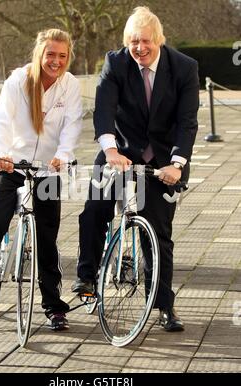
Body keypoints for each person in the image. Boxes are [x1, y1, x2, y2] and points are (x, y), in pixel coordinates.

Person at [72, 6, 199, 332]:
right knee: (95, 209)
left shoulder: (184, 68)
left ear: (159, 40)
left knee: (157, 233)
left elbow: (186, 123)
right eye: (133, 43)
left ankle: (163, 306)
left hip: (162, 161)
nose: (139, 49)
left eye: (145, 42)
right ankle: (86, 277)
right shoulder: (116, 62)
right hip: (120, 152)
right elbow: (104, 110)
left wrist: (177, 163)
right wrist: (110, 150)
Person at [0, 29, 82, 330]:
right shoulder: (18, 81)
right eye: (50, 55)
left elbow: (72, 124)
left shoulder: (69, 85)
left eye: (62, 55)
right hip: (12, 165)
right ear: (40, 54)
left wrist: (64, 154)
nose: (56, 61)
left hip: (48, 169)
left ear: (68, 56)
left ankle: (53, 305)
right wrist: (1, 153)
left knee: (47, 239)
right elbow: (2, 121)